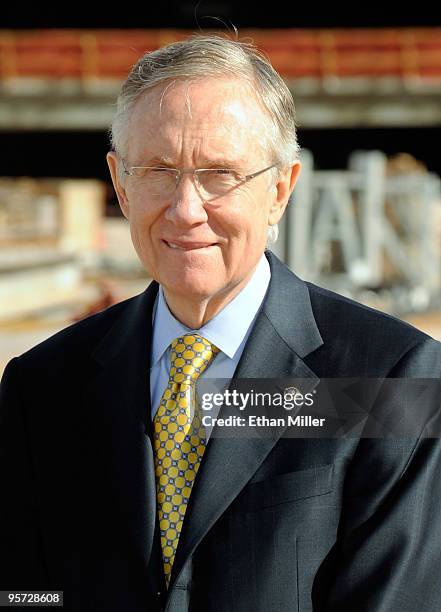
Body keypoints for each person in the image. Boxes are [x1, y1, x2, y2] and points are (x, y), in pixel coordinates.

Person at [1, 34, 441, 612]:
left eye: (219, 174)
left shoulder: (386, 381)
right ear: (120, 184)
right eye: (158, 169)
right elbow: (24, 595)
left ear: (280, 190)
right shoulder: (43, 388)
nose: (186, 209)